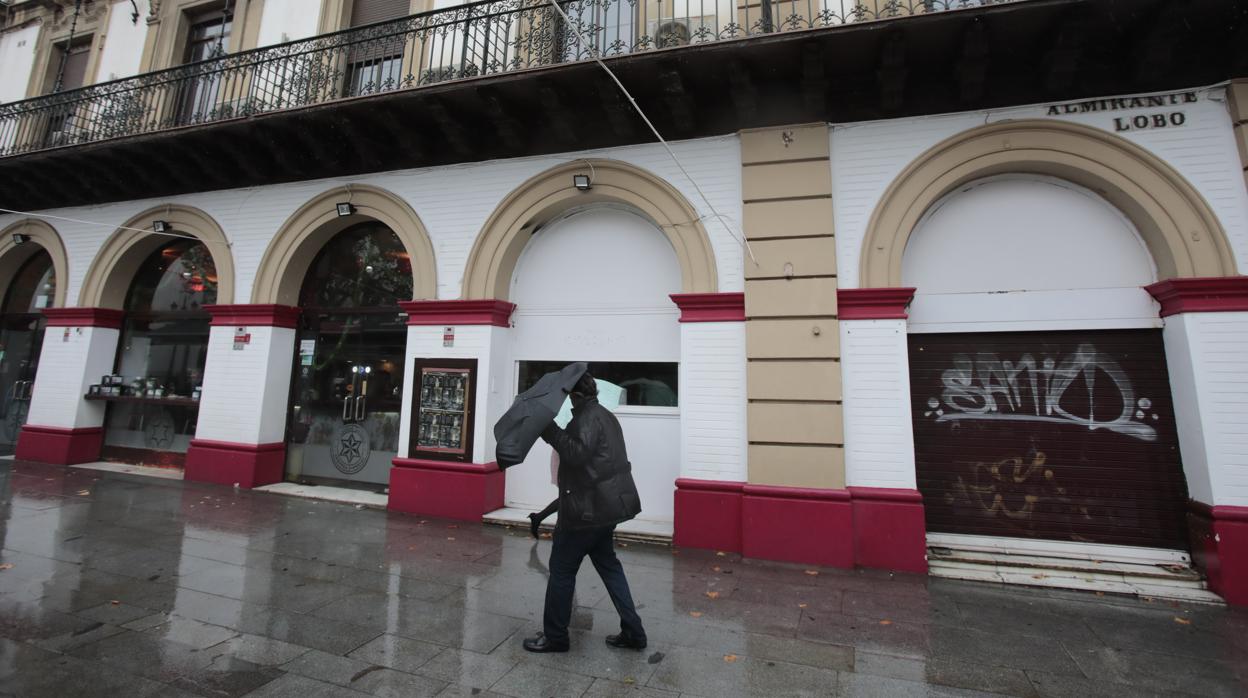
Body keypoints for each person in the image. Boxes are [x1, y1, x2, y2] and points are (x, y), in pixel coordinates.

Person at [522, 372, 646, 653]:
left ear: (574, 395)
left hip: (585, 512)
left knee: (562, 571)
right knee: (610, 568)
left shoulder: (585, 419)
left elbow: (576, 454)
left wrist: (549, 429)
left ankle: (555, 637)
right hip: (606, 509)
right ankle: (634, 631)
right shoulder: (605, 416)